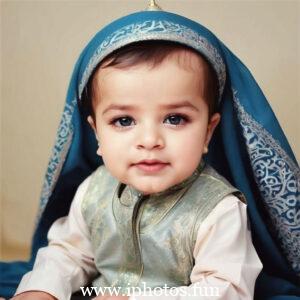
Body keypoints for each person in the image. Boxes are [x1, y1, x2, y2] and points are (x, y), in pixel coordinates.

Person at [1, 1, 299, 300]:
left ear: (208, 130)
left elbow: (226, 289)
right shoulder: (94, 191)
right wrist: (40, 290)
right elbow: (68, 254)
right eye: (124, 120)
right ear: (96, 135)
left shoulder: (219, 210)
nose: (150, 140)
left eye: (174, 119)